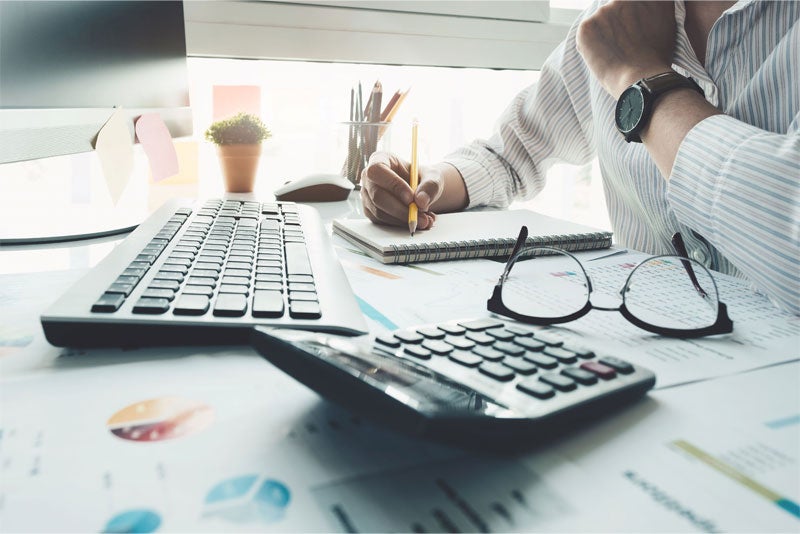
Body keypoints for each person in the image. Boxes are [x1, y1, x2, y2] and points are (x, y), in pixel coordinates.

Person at [359, 0, 800, 315]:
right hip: (649, 350)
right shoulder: (609, 20)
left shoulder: (622, 42)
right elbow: (509, 156)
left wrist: (642, 78)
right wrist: (428, 183)